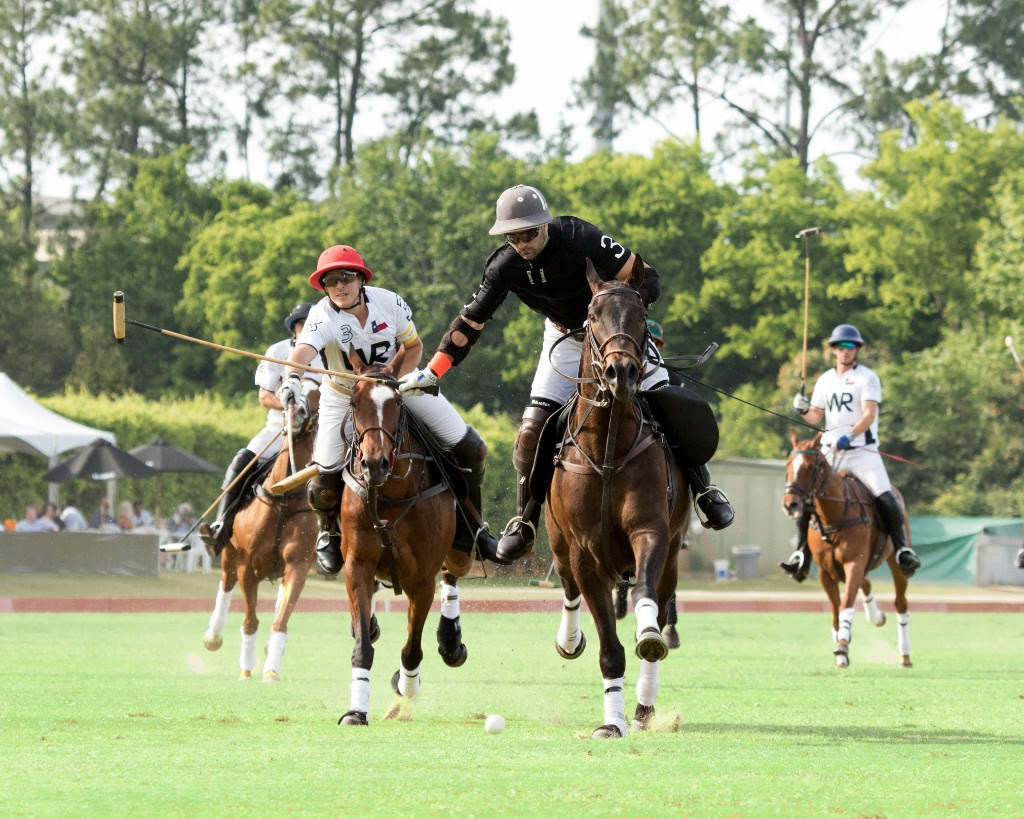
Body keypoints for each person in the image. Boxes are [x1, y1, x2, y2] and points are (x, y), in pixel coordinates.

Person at [398, 184, 734, 564]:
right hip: (564, 339)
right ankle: (525, 521)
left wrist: (620, 314)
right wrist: (433, 372)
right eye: (512, 237)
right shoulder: (503, 266)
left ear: (545, 224)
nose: (522, 243)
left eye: (529, 233)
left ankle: (704, 490)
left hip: (612, 333)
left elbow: (647, 277)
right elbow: (470, 323)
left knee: (667, 401)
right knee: (530, 432)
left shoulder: (579, 236)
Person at [278, 244, 501, 576]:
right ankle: (330, 533)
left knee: (471, 447)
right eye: (330, 281)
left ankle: (474, 528)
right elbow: (301, 355)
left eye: (346, 277)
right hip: (344, 395)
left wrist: (396, 382)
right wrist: (292, 380)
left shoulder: (390, 303)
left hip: (398, 387)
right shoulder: (321, 316)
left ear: (361, 279)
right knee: (323, 476)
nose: (339, 286)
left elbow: (414, 347)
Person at [782, 323, 921, 581]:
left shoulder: (868, 378)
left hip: (862, 451)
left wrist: (851, 435)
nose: (845, 350)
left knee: (886, 496)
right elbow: (815, 416)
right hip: (830, 452)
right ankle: (801, 553)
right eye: (840, 346)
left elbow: (869, 414)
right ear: (834, 350)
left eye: (850, 346)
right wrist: (802, 410)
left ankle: (902, 550)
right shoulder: (825, 379)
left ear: (857, 349)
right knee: (806, 496)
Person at [199, 302, 322, 556]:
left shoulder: (332, 353)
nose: (307, 329)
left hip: (320, 432)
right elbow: (264, 396)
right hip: (279, 428)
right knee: (241, 461)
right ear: (294, 328)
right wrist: (289, 407)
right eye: (302, 324)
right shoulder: (277, 351)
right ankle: (222, 526)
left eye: (312, 325)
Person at [613, 320, 682, 646]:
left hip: (650, 437)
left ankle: (705, 492)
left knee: (686, 430)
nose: (655, 346)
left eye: (657, 343)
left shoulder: (661, 368)